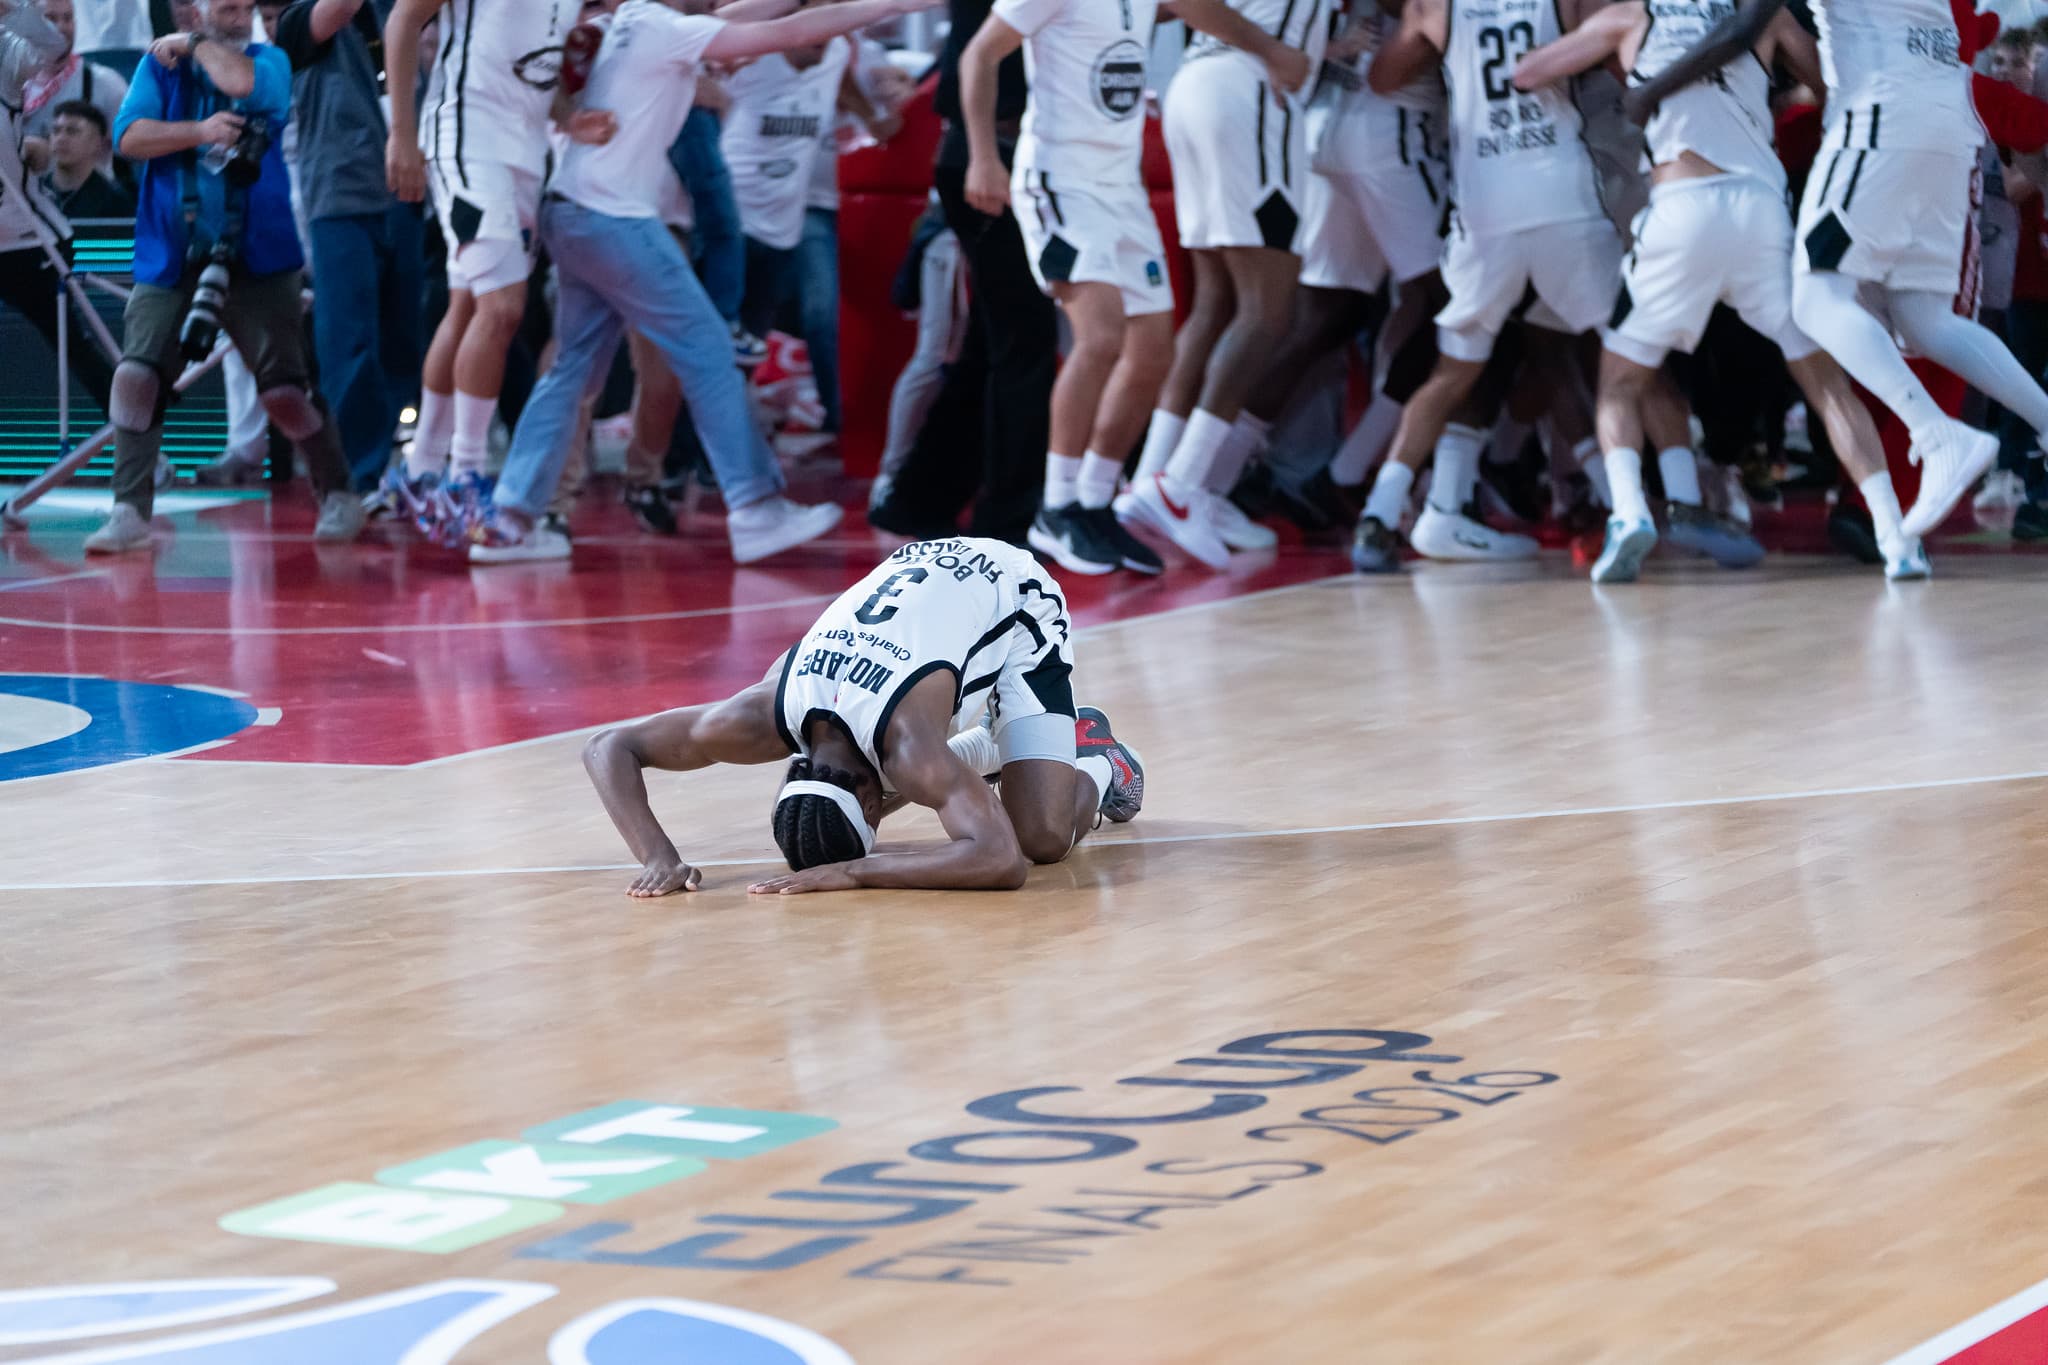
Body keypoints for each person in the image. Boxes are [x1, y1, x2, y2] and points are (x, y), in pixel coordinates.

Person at [468, 0, 936, 566]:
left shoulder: (638, 20)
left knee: (572, 369)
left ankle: (514, 518)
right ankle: (755, 507)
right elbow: (788, 29)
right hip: (614, 220)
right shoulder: (664, 29)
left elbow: (748, 13)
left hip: (572, 211)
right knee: (710, 349)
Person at [1514, 0, 1929, 581]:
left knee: (1620, 384)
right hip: (1762, 213)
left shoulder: (1631, 16)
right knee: (1826, 385)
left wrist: (1612, 65)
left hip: (1679, 209)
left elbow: (1528, 73)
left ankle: (1630, 514)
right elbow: (1834, 88)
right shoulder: (1764, 17)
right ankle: (1896, 537)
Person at [1630, 0, 2048, 541]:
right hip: (1951, 116)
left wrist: (1648, 90)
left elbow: (1742, 27)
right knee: (1924, 319)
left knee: (1815, 298)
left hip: (1880, 113)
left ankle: (1936, 433)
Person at [582, 536, 1146, 898]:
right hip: (923, 577)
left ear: (873, 806)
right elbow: (608, 746)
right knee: (932, 777)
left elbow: (1001, 861)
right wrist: (658, 856)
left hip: (1014, 594)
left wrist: (855, 872)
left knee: (1042, 839)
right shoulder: (759, 714)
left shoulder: (908, 745)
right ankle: (991, 751)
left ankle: (1098, 757)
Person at [965, 0, 1291, 577]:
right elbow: (979, 56)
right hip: (1060, 178)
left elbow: (1201, 11)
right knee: (1100, 337)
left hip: (1122, 186)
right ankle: (1056, 506)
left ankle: (1094, 501)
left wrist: (1267, 49)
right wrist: (984, 157)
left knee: (1154, 352)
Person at [1348, 0, 1625, 573]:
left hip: (1484, 208)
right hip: (1562, 198)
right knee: (1621, 353)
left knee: (1458, 369)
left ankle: (1379, 516)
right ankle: (1640, 505)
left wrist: (1445, 57)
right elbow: (1628, 60)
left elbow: (1382, 77)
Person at [84, 0, 363, 553]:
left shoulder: (271, 60)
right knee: (136, 377)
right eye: (220, 0)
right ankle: (129, 510)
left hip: (258, 253)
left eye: (240, 2)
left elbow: (239, 81)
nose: (235, 6)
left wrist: (190, 44)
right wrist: (199, 130)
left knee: (284, 392)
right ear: (192, 7)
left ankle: (339, 493)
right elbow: (129, 138)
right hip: (172, 252)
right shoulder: (157, 69)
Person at [1116, 0, 1314, 571]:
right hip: (1250, 88)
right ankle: (1180, 484)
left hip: (1198, 83)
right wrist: (1276, 47)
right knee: (1268, 309)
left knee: (1217, 302)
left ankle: (1154, 482)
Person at [381, 0, 580, 526]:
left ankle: (421, 466)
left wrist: (572, 117)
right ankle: (464, 477)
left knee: (469, 305)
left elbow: (534, 73)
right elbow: (402, 20)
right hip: (467, 141)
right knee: (503, 309)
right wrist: (401, 134)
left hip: (525, 154)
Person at [273, 0, 423, 495]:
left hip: (408, 193)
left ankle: (404, 460)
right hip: (340, 195)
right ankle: (359, 474)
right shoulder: (299, 20)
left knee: (406, 336)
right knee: (349, 342)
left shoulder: (400, 12)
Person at [23, 0, 129, 161]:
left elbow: (134, 149)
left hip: (83, 186)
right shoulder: (11, 82)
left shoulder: (104, 83)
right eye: (50, 19)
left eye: (68, 18)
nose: (61, 27)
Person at [40, 99, 134, 216]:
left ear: (97, 143)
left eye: (72, 131)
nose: (61, 138)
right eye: (56, 131)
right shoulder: (33, 191)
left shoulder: (115, 202)